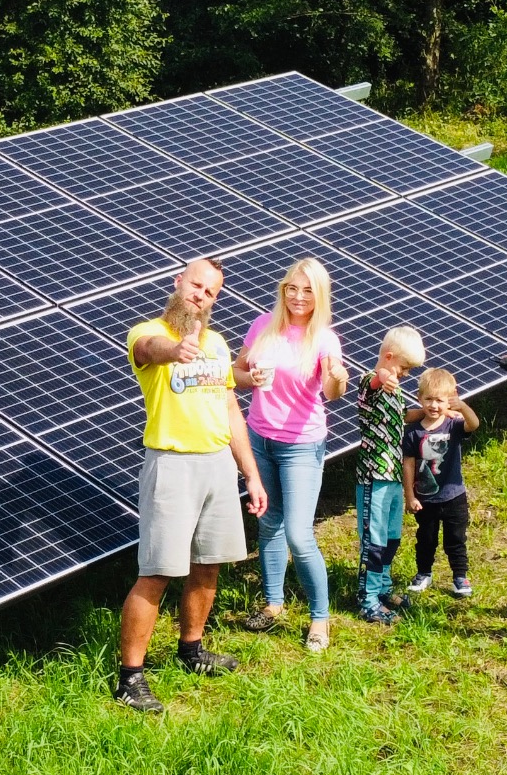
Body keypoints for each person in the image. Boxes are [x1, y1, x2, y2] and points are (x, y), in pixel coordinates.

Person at [115, 258, 269, 712]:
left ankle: (191, 649)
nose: (200, 295)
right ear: (178, 282)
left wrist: (251, 474)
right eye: (195, 285)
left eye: (210, 292)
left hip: (218, 464)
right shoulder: (147, 332)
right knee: (158, 571)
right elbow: (149, 348)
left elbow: (228, 408)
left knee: (209, 565)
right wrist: (175, 350)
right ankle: (130, 679)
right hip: (172, 465)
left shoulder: (218, 344)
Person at [234, 258, 347, 651]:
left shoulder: (325, 339)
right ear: (283, 290)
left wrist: (336, 377)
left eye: (308, 290)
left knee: (299, 534)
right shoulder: (262, 325)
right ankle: (273, 604)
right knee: (269, 523)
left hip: (301, 446)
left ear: (320, 296)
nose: (298, 297)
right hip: (259, 438)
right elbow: (235, 373)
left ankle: (320, 618)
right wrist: (250, 378)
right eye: (292, 288)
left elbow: (333, 393)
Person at [356, 325, 425, 624]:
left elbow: (404, 416)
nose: (405, 374)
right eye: (404, 367)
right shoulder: (370, 384)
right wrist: (384, 376)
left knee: (392, 537)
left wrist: (429, 411)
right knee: (374, 540)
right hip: (374, 475)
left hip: (395, 474)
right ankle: (367, 599)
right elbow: (375, 380)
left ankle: (382, 587)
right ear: (388, 356)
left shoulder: (395, 394)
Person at [403, 368, 480, 598]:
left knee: (456, 539)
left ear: (449, 400)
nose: (434, 405)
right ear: (419, 399)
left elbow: (474, 424)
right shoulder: (413, 432)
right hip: (425, 496)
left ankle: (460, 576)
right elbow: (407, 464)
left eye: (440, 400)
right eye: (428, 399)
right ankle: (423, 573)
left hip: (454, 495)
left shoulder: (453, 425)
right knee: (425, 538)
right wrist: (410, 496)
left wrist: (461, 406)